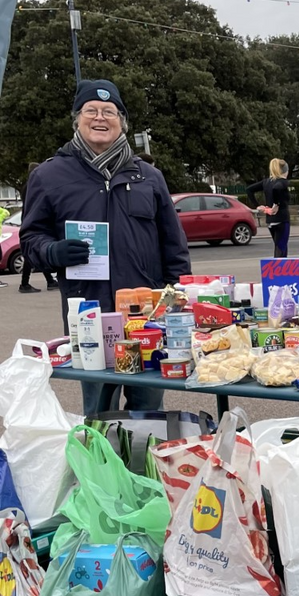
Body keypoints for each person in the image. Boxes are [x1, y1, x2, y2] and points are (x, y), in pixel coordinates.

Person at [21, 78, 190, 416]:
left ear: (122, 121)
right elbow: (31, 238)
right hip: (89, 316)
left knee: (150, 411)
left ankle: (143, 467)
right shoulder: (49, 175)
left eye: (109, 112)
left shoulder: (149, 176)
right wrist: (52, 252)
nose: (100, 118)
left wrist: (179, 303)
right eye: (91, 111)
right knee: (99, 414)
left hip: (147, 317)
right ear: (77, 119)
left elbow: (174, 246)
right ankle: (100, 468)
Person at [11, 164, 58, 292]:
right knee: (31, 254)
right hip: (31, 221)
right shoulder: (33, 187)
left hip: (27, 219)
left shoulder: (26, 187)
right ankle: (24, 284)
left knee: (37, 252)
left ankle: (49, 281)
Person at [246, 159, 291, 258]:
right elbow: (277, 188)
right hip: (282, 219)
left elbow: (249, 190)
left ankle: (278, 269)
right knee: (281, 248)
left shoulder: (266, 182)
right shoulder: (282, 182)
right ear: (285, 170)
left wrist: (257, 205)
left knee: (277, 246)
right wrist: (277, 204)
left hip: (270, 220)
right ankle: (279, 271)